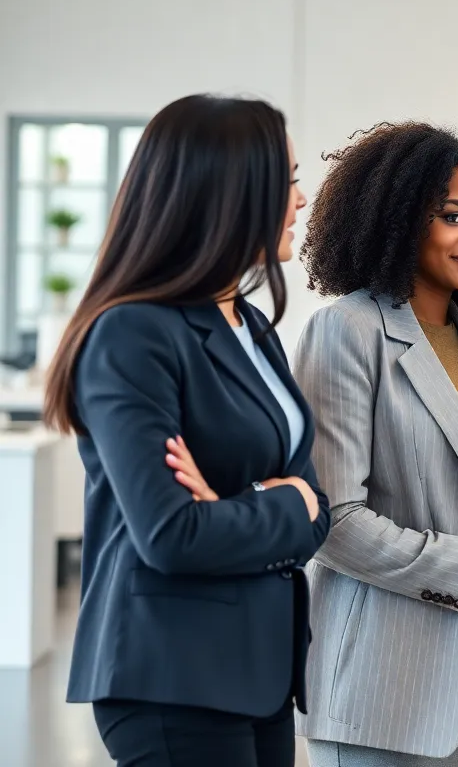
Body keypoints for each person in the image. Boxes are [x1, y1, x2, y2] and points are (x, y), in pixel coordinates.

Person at [45, 94, 330, 767]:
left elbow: (321, 510)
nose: (303, 197)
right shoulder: (132, 333)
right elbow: (172, 535)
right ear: (231, 192)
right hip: (171, 672)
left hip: (257, 672)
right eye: (286, 179)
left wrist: (258, 503)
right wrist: (283, 500)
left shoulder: (252, 328)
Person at [292, 122, 458, 767]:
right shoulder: (347, 331)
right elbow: (333, 523)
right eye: (453, 216)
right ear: (401, 218)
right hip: (386, 674)